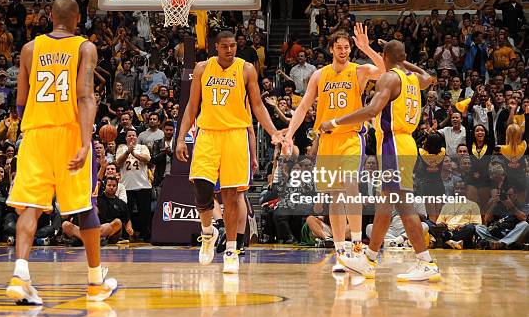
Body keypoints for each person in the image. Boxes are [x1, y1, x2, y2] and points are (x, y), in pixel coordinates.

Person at [5, 0, 117, 305]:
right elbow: (84, 96)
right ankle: (95, 282)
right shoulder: (84, 47)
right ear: (78, 18)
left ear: (50, 18)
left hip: (35, 134)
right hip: (69, 133)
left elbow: (20, 101)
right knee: (84, 208)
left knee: (30, 207)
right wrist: (85, 141)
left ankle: (20, 274)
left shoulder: (29, 49)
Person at [320, 39, 441, 282]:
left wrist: (334, 122)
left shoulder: (389, 79)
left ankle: (425, 261)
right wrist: (400, 59)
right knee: (385, 204)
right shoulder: (412, 79)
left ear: (384, 56)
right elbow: (429, 77)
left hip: (393, 144)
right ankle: (369, 259)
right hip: (404, 143)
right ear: (403, 56)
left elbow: (372, 110)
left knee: (404, 205)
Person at [176, 30, 283, 275]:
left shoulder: (246, 70)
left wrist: (274, 132)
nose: (230, 50)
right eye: (225, 46)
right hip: (208, 133)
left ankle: (232, 250)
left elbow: (257, 106)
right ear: (216, 47)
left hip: (235, 134)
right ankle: (208, 233)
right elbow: (192, 107)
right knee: (201, 188)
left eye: (233, 46)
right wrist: (181, 138)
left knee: (232, 196)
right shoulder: (203, 68)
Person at [283, 24, 385, 274]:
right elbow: (304, 105)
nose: (343, 50)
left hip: (351, 137)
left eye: (346, 47)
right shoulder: (319, 75)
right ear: (330, 49)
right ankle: (341, 253)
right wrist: (289, 134)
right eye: (338, 47)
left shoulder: (359, 71)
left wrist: (367, 48)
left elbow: (386, 72)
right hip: (327, 140)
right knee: (335, 196)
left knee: (350, 185)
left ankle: (358, 247)